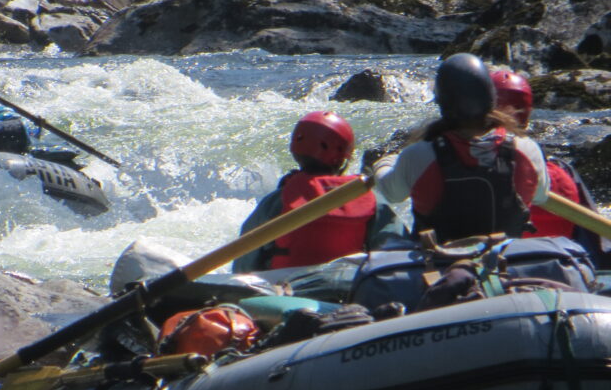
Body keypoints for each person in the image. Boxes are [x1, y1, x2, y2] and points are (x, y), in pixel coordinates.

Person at [373, 53, 550, 244]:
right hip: (505, 264)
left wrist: (384, 163)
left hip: (439, 266)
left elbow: (391, 194)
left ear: (442, 103)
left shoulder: (418, 154)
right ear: (491, 97)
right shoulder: (527, 149)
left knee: (379, 208)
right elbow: (541, 195)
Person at [232, 111, 402, 273]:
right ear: (344, 157)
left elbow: (243, 264)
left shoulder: (276, 202)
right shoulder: (369, 199)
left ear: (295, 151)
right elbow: (396, 248)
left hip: (285, 291)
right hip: (350, 286)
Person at [491, 68, 607, 255]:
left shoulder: (462, 164)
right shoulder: (561, 173)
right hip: (557, 264)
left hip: (494, 265)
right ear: (527, 114)